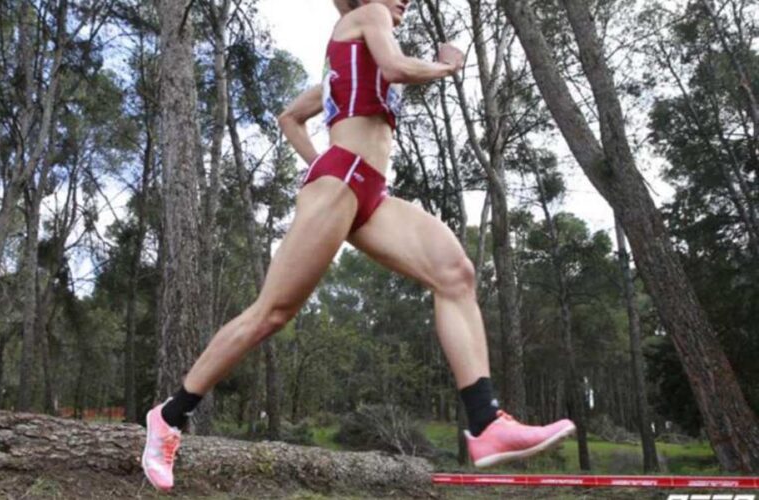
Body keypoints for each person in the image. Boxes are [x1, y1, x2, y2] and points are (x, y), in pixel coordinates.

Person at [140, 0, 575, 490]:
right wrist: (448, 66)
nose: (403, 0)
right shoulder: (370, 17)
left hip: (370, 191)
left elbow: (290, 116)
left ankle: (486, 421)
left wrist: (321, 162)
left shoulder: (348, 60)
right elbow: (396, 67)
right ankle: (169, 418)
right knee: (271, 313)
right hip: (341, 181)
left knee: (456, 273)